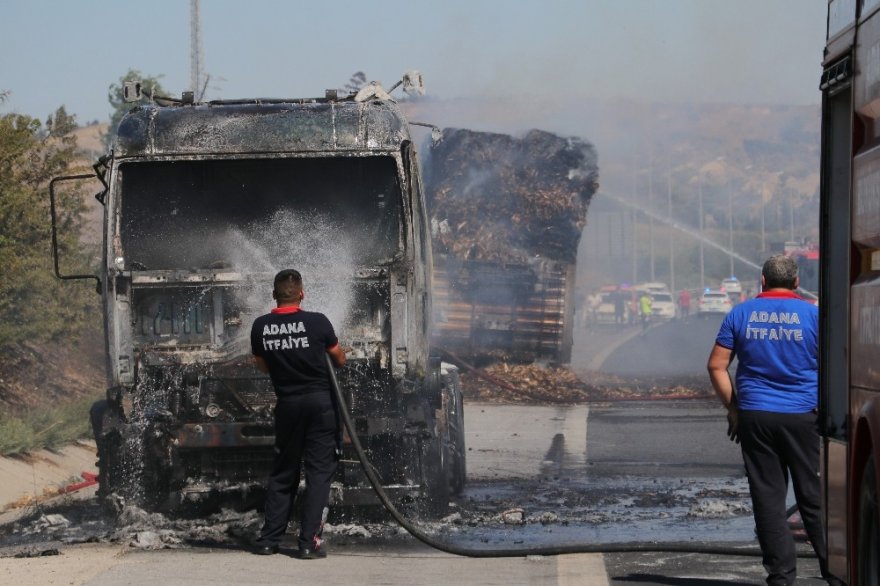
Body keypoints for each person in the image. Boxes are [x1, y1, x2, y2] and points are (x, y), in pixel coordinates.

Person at [706, 255, 840, 586]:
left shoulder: (740, 313)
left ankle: (781, 578)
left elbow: (716, 366)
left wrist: (734, 409)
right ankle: (835, 574)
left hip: (756, 416)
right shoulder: (814, 315)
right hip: (801, 416)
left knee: (768, 497)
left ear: (762, 282)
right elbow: (833, 365)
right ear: (796, 283)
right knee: (812, 496)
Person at [251, 269, 347, 559]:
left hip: (288, 405)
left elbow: (263, 366)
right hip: (321, 405)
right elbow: (339, 359)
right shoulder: (318, 323)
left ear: (274, 295)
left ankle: (269, 540)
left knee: (284, 472)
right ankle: (308, 543)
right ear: (302, 293)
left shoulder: (261, 327)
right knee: (318, 474)